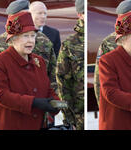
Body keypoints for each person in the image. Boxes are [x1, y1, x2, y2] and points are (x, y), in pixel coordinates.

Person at [0, 11, 59, 130]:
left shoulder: (39, 61)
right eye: (25, 36)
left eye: (33, 36)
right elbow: (1, 95)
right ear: (13, 39)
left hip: (36, 125)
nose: (30, 41)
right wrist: (34, 102)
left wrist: (57, 103)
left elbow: (47, 89)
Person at [55, 0, 84, 130]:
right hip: (78, 117)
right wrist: (69, 117)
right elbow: (62, 83)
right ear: (80, 15)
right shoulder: (69, 44)